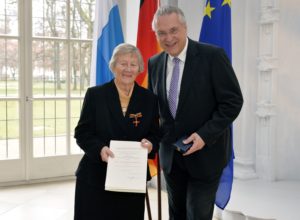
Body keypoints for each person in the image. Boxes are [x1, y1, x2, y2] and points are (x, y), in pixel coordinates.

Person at [148, 5, 243, 220]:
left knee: (197, 214)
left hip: (206, 156)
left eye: (174, 30)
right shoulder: (154, 63)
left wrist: (204, 135)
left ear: (184, 27)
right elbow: (154, 109)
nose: (168, 38)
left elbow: (233, 101)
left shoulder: (212, 56)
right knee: (177, 214)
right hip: (171, 158)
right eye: (161, 33)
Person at [74, 43, 160, 220]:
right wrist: (99, 149)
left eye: (133, 64)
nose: (128, 69)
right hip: (96, 176)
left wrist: (151, 143)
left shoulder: (149, 99)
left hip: (131, 178)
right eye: (123, 63)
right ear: (113, 66)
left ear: (139, 69)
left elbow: (155, 133)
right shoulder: (95, 95)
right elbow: (82, 132)